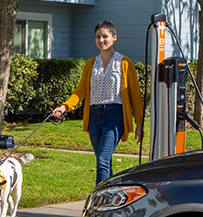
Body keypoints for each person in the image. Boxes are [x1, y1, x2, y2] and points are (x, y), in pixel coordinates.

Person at [51, 20, 144, 184]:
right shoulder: (90, 64)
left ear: (114, 37)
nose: (101, 40)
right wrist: (64, 107)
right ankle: (112, 197)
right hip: (94, 116)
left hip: (115, 116)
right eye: (98, 37)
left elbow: (135, 95)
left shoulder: (124, 63)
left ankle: (99, 201)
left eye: (105, 36)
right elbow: (80, 91)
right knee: (104, 161)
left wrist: (139, 123)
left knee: (102, 160)